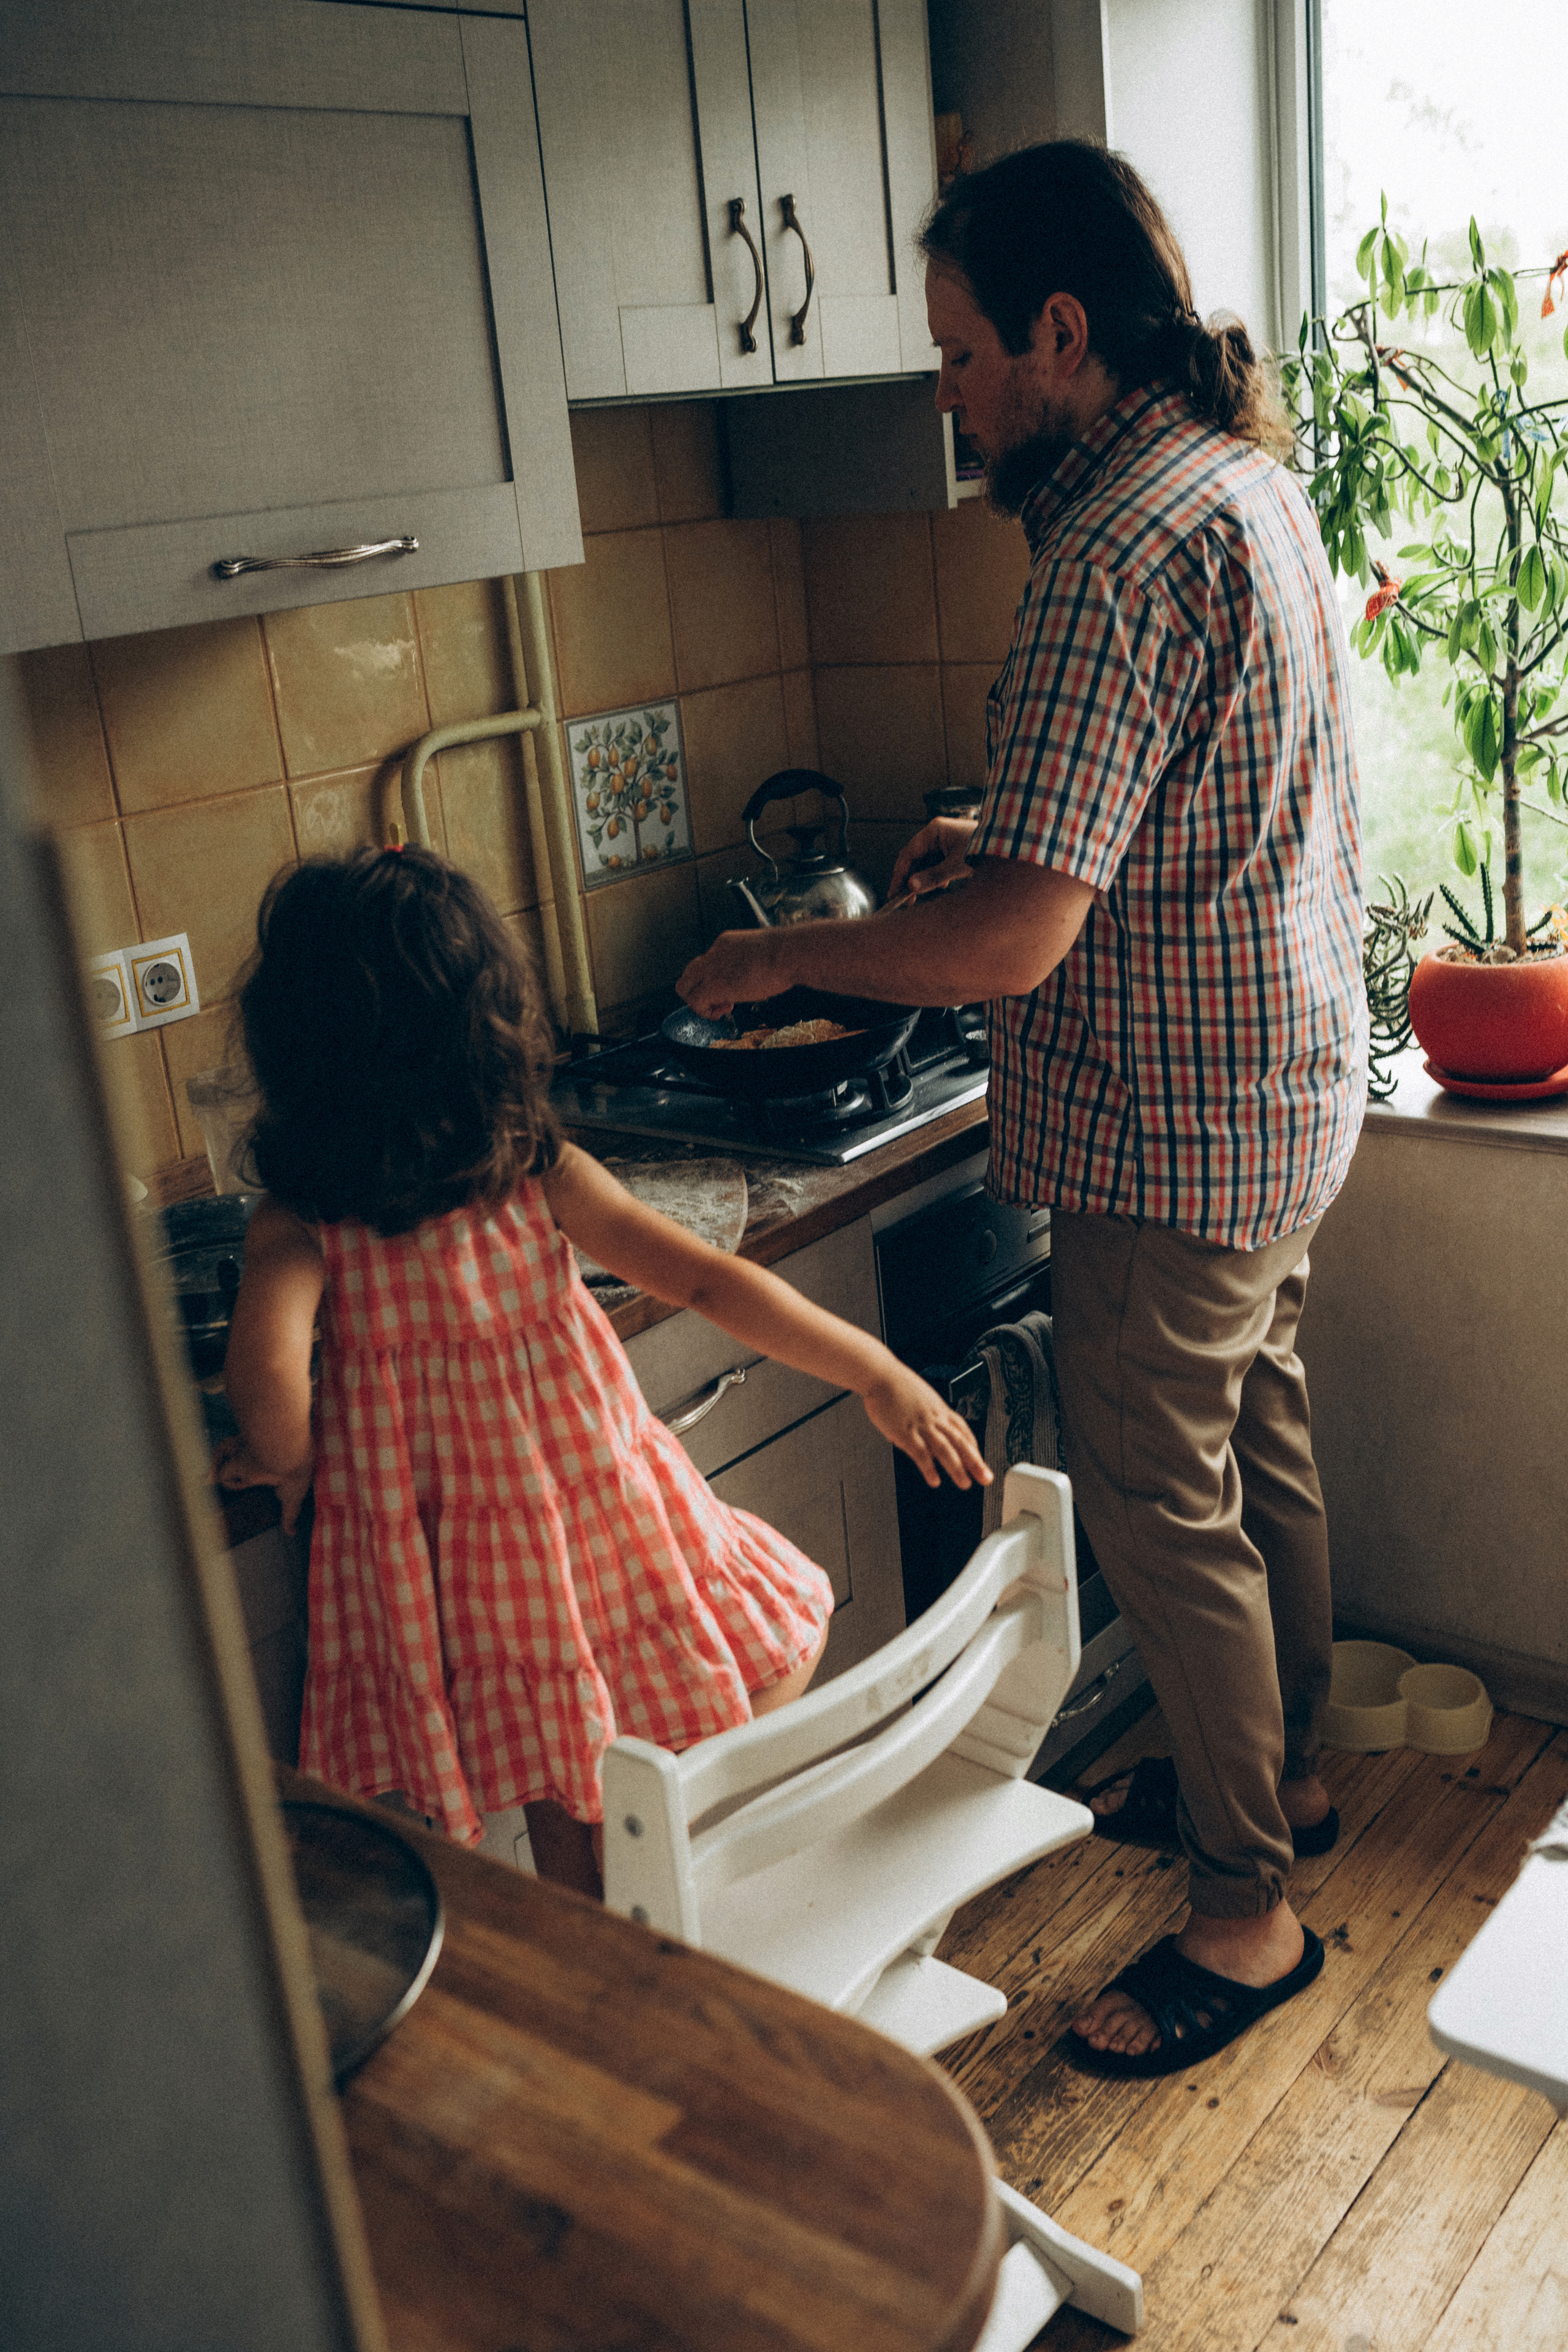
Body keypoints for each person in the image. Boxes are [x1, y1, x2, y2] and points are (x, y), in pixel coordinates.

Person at [677, 140, 1366, 2075]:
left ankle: (1244, 1913)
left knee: (1164, 1512)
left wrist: (784, 959)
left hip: (1171, 1133)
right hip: (1281, 1101)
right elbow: (1201, 796)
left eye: (964, 353)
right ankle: (1286, 1786)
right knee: (1259, 1449)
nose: (947, 394)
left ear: (1064, 334)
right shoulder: (1238, 486)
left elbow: (1008, 948)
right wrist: (1004, 833)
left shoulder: (1105, 559)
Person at [217, 845, 989, 1897]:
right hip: (595, 1515)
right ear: (486, 1031)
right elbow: (710, 1282)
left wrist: (289, 1460)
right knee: (764, 1645)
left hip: (455, 1565)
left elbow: (268, 1389)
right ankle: (672, 1896)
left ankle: (621, 1933)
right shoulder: (533, 1173)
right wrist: (874, 1371)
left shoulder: (304, 1219)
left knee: (558, 1765)